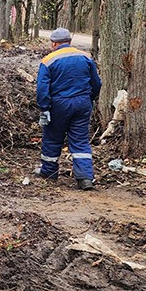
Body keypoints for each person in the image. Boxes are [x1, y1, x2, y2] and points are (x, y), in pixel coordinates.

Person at [36, 27, 102, 190]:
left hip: (59, 104)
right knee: (80, 140)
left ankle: (49, 172)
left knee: (52, 137)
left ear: (54, 43)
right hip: (82, 103)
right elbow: (96, 83)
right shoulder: (85, 57)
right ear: (69, 42)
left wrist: (44, 108)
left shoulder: (48, 60)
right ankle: (85, 177)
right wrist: (89, 98)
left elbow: (42, 88)